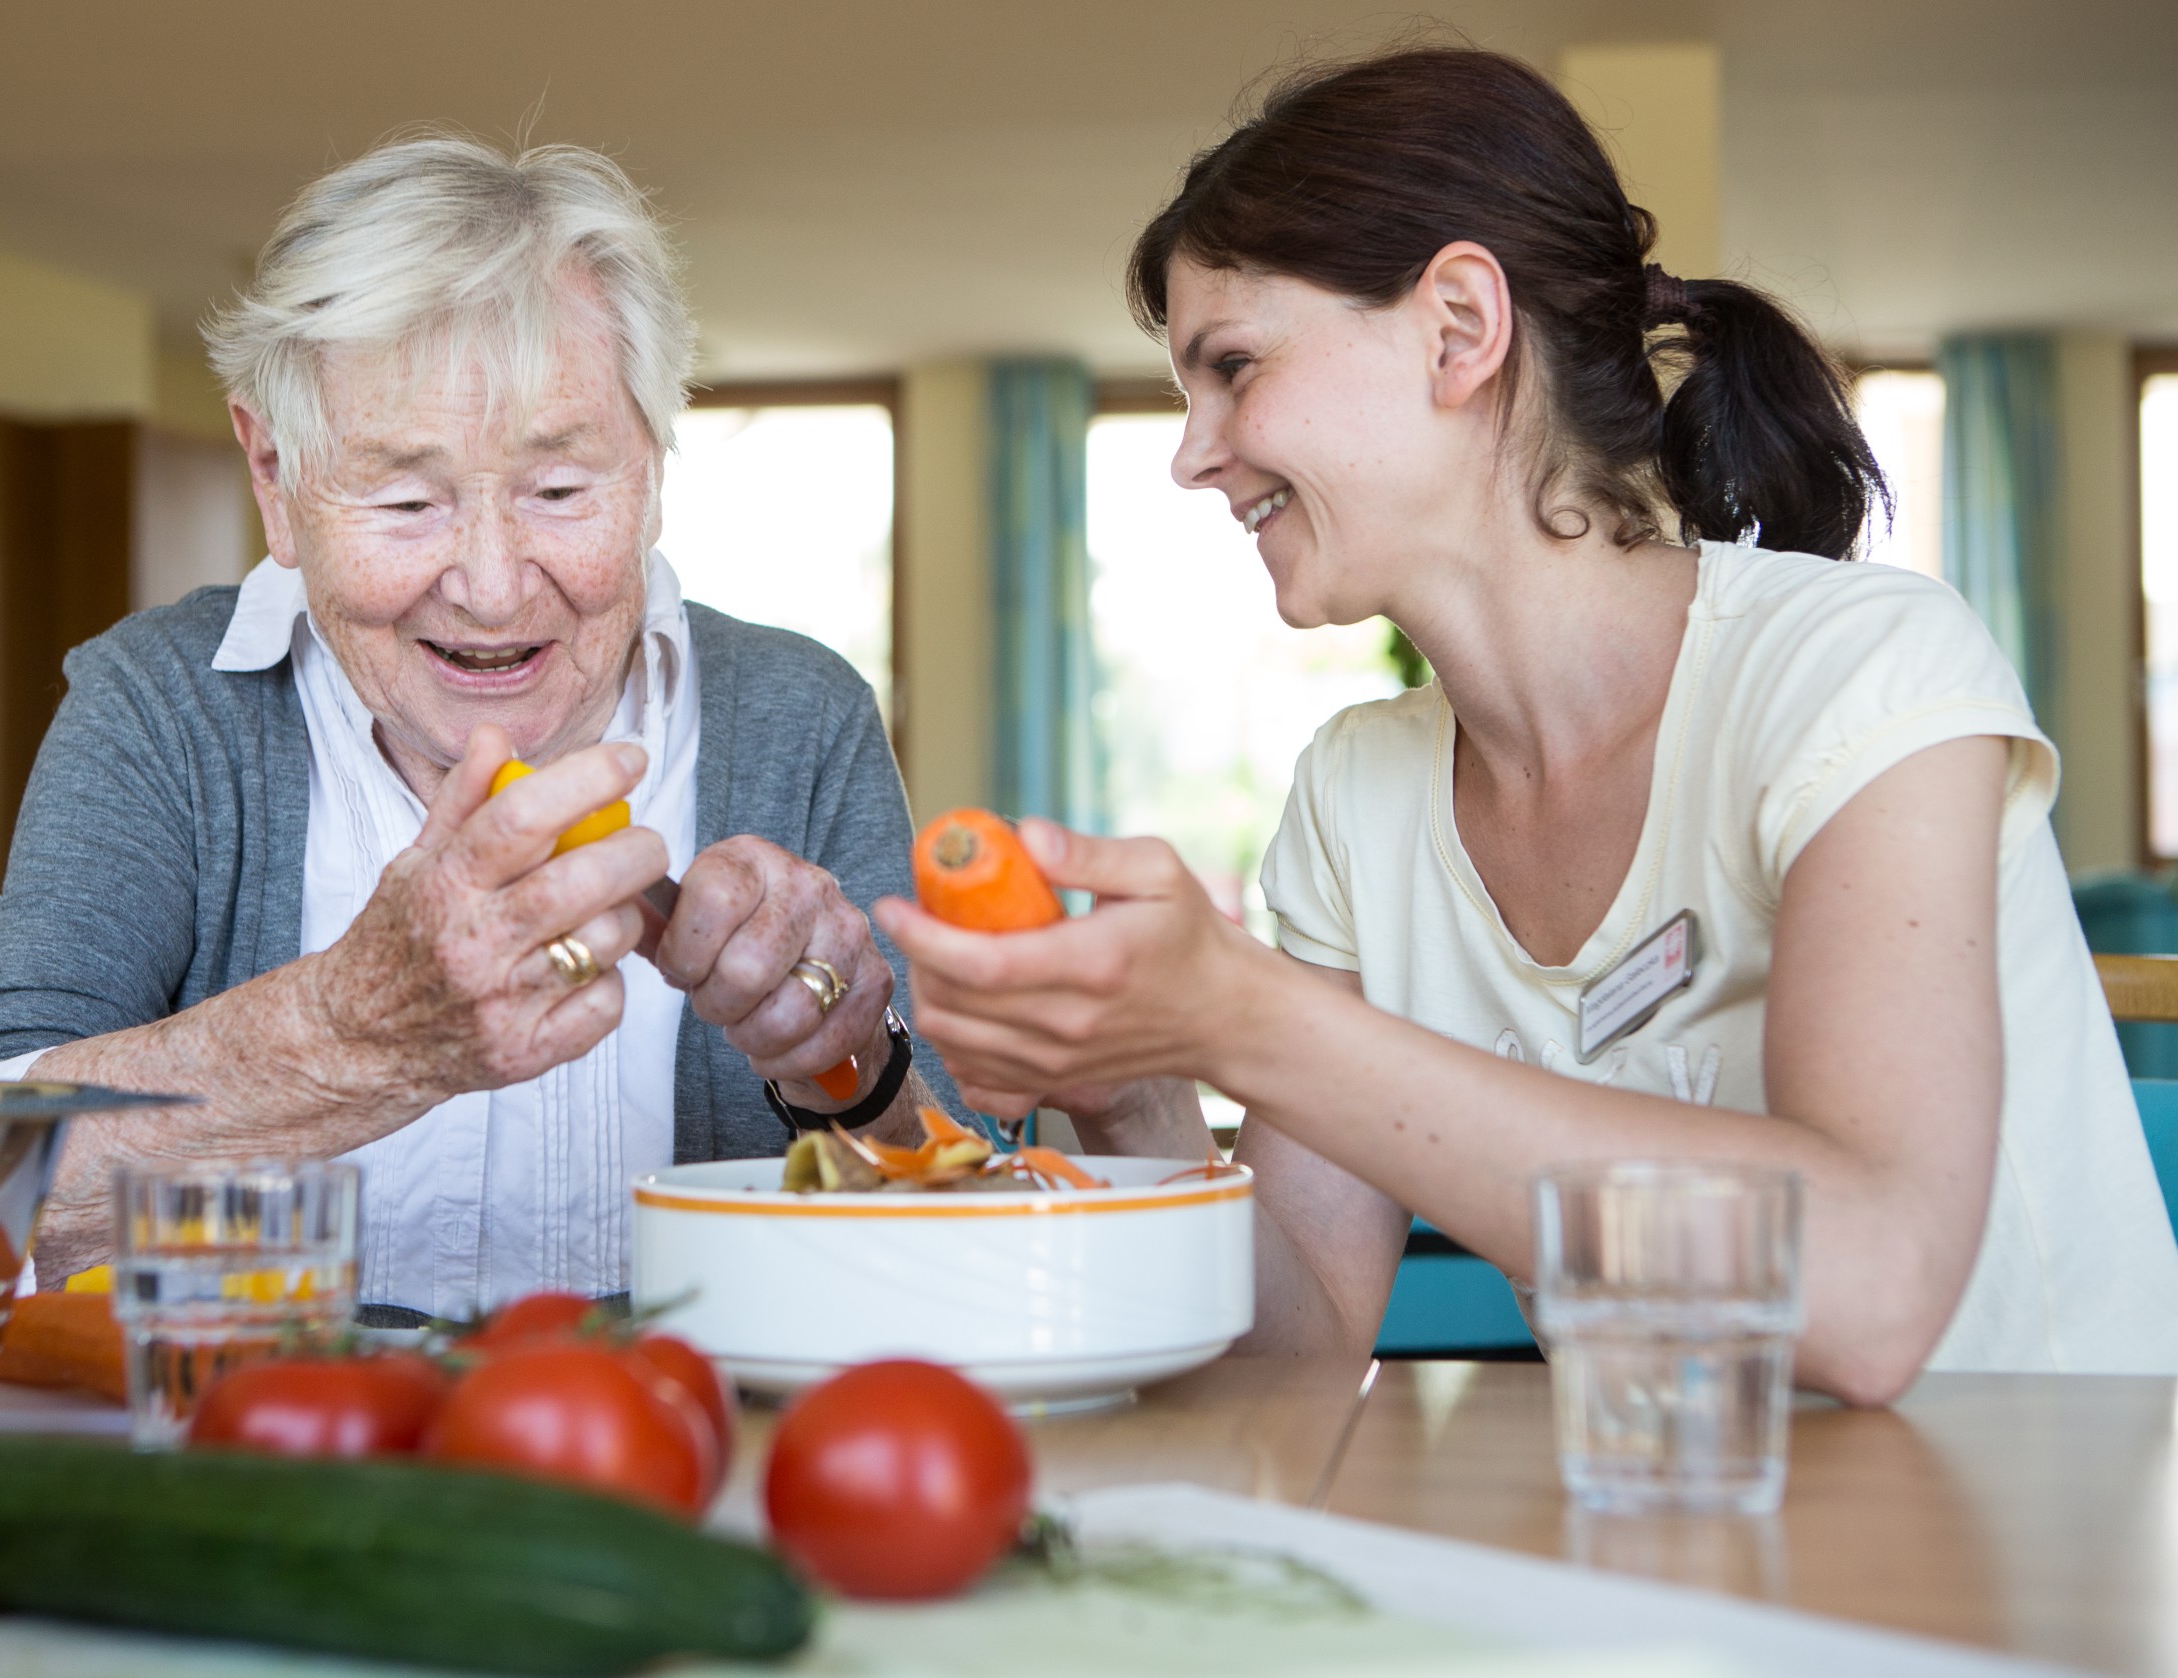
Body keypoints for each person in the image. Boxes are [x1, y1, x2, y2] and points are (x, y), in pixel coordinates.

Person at [879, 47, 2178, 1403]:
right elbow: (1299, 1333)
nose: (1193, 451)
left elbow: (1871, 1284)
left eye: (1235, 366)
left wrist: (1244, 1014)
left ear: (1458, 327)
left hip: (2040, 1568)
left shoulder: (1863, 671)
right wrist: (1136, 1077)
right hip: (1678, 1563)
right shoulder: (1358, 797)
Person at [0, 136, 948, 1315]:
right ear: (274, 476)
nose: (494, 586)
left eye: (560, 491)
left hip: (684, 1466)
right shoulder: (162, 703)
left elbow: (960, 1209)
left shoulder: (798, 717)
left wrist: (843, 1064)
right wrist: (352, 1032)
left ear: (654, 466)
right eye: (406, 500)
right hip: (265, 1472)